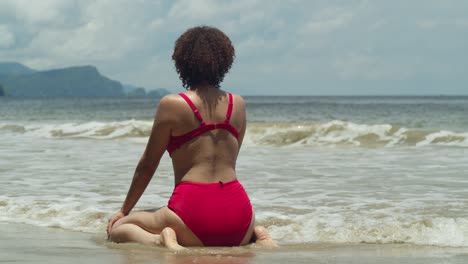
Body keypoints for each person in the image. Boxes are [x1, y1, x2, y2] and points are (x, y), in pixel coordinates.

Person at [107, 26, 275, 250]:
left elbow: (147, 165)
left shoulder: (172, 104)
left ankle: (160, 240)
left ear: (182, 62)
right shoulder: (238, 104)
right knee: (225, 228)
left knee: (119, 228)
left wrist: (124, 210)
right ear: (224, 61)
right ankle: (256, 234)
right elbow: (231, 159)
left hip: (192, 211)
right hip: (239, 214)